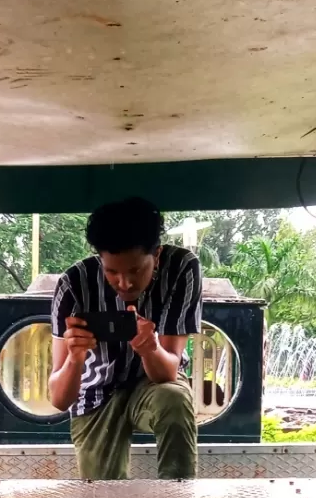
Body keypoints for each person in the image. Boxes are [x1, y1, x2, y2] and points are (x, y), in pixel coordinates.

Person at [49, 197, 202, 480]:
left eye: (135, 270)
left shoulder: (181, 268)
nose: (124, 283)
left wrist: (150, 348)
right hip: (94, 394)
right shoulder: (73, 284)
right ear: (100, 258)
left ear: (156, 254)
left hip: (154, 383)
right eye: (111, 272)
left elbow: (167, 372)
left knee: (175, 399)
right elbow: (59, 398)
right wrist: (75, 358)